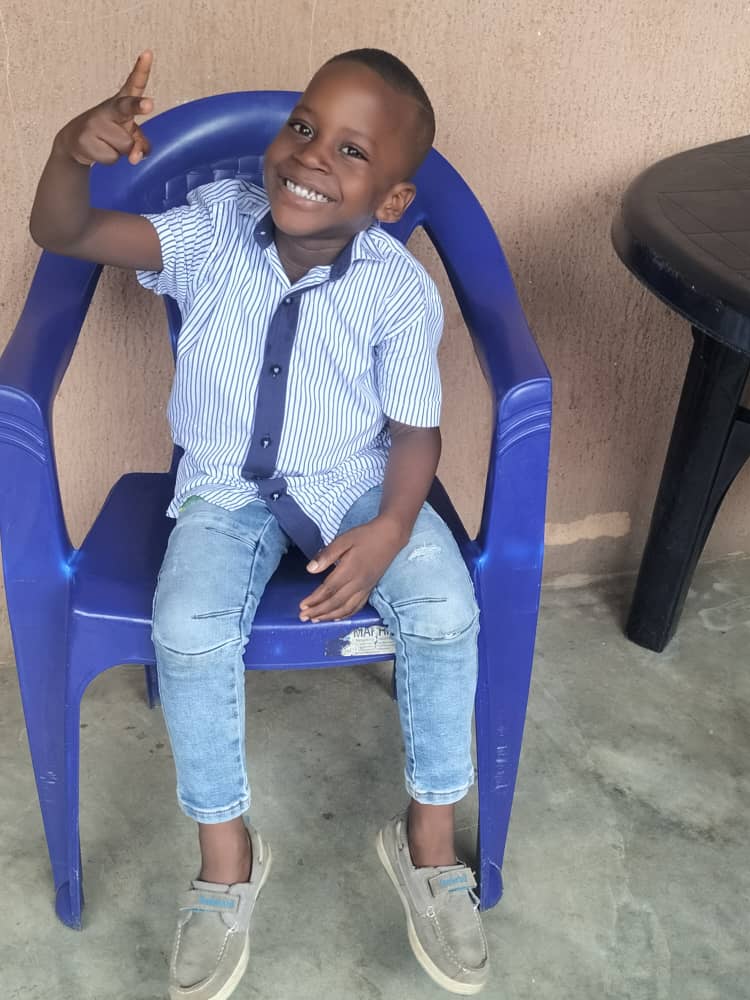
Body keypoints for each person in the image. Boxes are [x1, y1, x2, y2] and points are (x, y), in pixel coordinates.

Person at [30, 47, 490, 999]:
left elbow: (416, 432)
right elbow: (63, 230)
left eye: (352, 151)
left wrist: (391, 529)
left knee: (447, 609)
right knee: (187, 626)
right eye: (304, 127)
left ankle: (430, 842)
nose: (312, 155)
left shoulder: (397, 290)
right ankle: (225, 859)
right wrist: (73, 152)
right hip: (224, 490)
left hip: (359, 483)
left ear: (393, 201)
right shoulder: (211, 230)